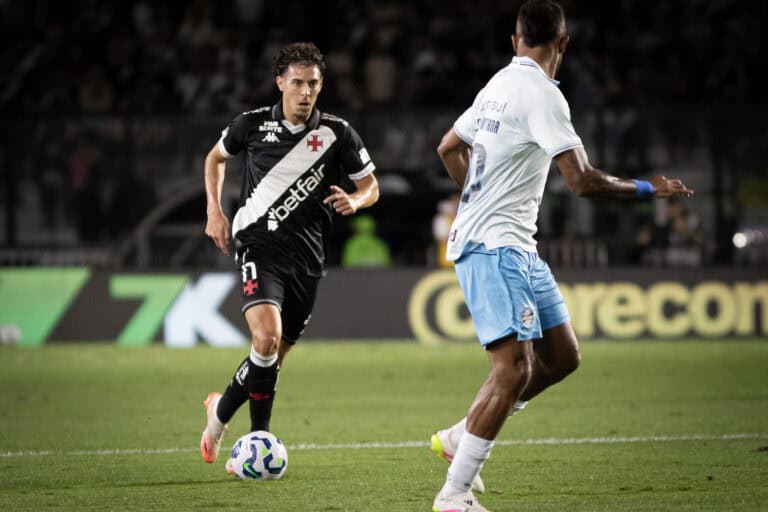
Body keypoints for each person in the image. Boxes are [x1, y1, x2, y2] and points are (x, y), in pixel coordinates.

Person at [429, 2, 694, 510]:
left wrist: (475, 198)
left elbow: (447, 147)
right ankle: (454, 495)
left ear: (515, 40)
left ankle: (465, 433)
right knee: (513, 369)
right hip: (493, 245)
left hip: (517, 246)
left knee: (563, 356)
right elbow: (582, 180)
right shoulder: (543, 95)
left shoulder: (497, 85)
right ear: (564, 44)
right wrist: (646, 189)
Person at [200, 42, 379, 472]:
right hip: (257, 248)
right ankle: (257, 441)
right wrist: (215, 209)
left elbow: (372, 184)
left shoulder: (337, 133)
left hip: (308, 262)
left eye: (312, 84)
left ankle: (219, 413)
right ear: (280, 82)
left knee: (270, 361)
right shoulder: (253, 125)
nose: (304, 92)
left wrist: (357, 200)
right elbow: (215, 158)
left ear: (321, 86)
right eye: (296, 83)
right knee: (265, 339)